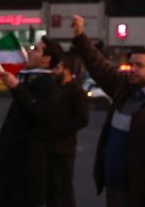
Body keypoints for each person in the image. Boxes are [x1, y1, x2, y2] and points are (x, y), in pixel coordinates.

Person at [70, 16, 145, 207]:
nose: (132, 69)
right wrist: (80, 36)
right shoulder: (123, 89)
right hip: (114, 188)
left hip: (143, 194)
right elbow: (98, 66)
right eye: (131, 64)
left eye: (139, 66)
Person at [0, 36, 63, 207]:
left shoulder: (50, 86)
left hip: (26, 173)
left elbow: (41, 114)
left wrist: (17, 88)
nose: (29, 52)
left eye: (36, 49)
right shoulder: (29, 81)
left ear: (46, 59)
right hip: (12, 169)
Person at [48, 50, 90, 207]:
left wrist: (59, 128)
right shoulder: (54, 88)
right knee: (50, 190)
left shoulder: (77, 92)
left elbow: (82, 119)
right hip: (49, 147)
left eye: (57, 68)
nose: (54, 71)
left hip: (64, 150)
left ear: (67, 70)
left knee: (63, 190)